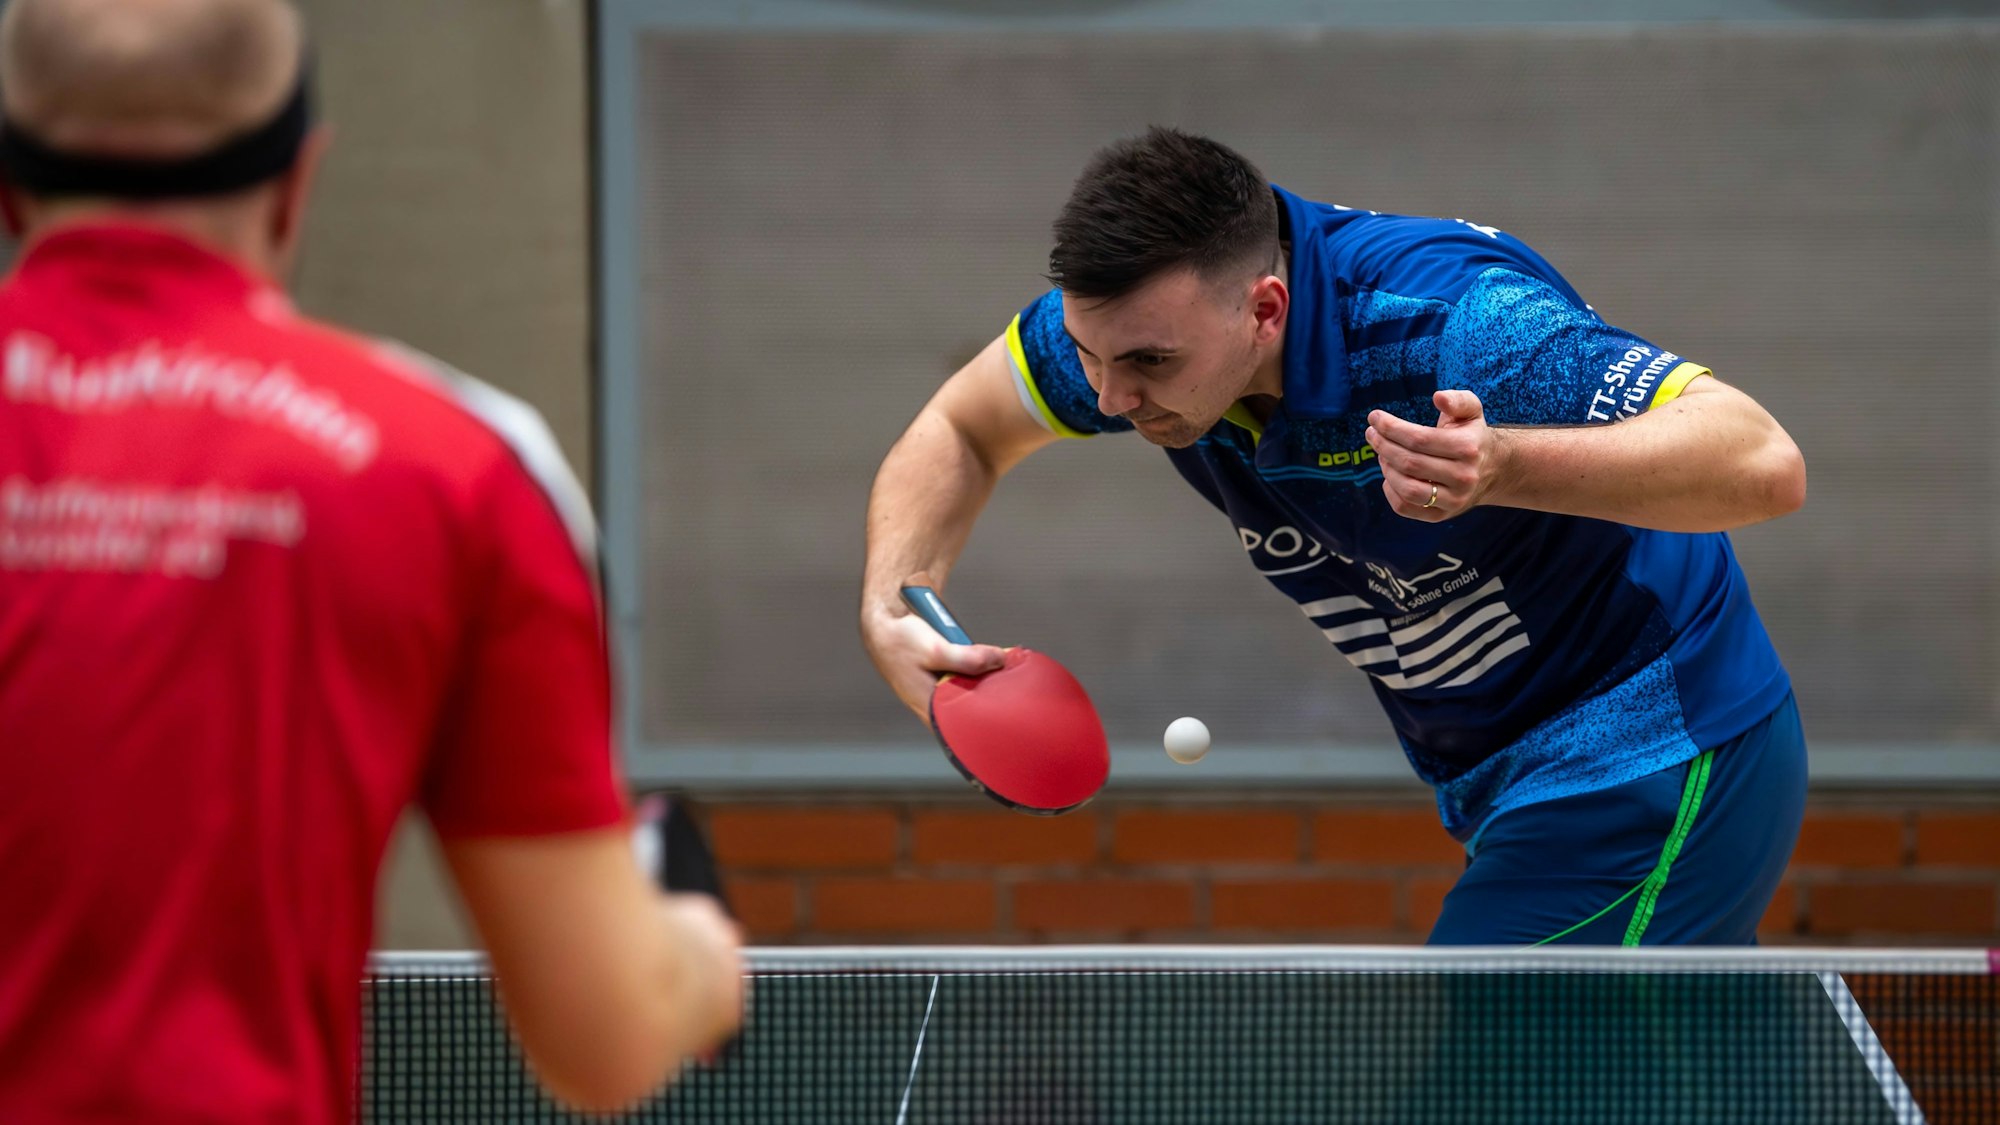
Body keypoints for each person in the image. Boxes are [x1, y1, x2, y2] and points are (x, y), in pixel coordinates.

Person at [0, 0, 740, 1120]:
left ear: (12, 185)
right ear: (299, 182)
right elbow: (606, 1039)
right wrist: (694, 954)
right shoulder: (451, 468)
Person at [862, 127, 1808, 946]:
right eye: (1087, 356)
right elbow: (966, 427)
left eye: (1149, 363)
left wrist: (1509, 464)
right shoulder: (1126, 337)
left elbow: (1762, 460)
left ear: (1265, 308)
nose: (1110, 397)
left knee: (1494, 1067)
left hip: (1655, 753)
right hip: (1502, 776)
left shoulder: (1455, 325)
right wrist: (890, 601)